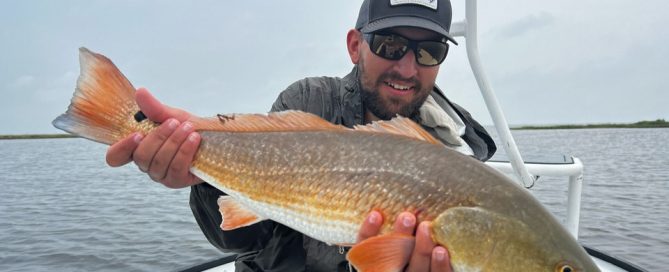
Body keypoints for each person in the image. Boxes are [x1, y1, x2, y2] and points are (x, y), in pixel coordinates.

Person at [106, 0, 496, 271]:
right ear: (355, 45)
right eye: (390, 45)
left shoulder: (455, 148)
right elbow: (243, 240)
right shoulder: (307, 101)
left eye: (429, 52)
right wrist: (200, 172)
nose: (408, 68)